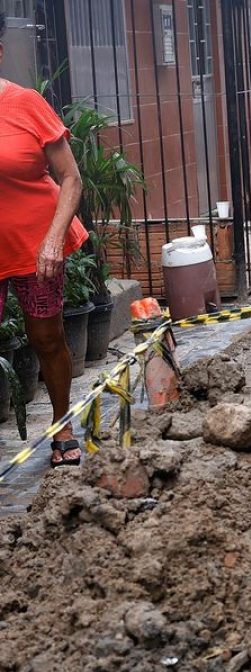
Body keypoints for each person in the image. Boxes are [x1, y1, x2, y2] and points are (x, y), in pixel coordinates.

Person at [0, 13, 88, 467]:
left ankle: (62, 425)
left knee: (46, 337)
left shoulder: (25, 104)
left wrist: (54, 240)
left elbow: (71, 177)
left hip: (36, 244)